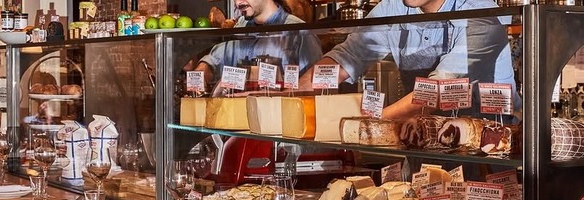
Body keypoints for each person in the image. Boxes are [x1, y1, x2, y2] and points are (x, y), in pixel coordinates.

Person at [305, 0, 519, 120]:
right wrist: (290, 91)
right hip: (422, 141)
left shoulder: (482, 12)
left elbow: (438, 90)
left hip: (487, 149)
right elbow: (349, 57)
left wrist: (370, 122)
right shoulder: (392, 9)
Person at [194, 0, 323, 95]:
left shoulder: (300, 33)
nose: (238, 4)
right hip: (239, 124)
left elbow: (316, 89)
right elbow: (213, 60)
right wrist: (202, 71)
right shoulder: (240, 29)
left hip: (280, 125)